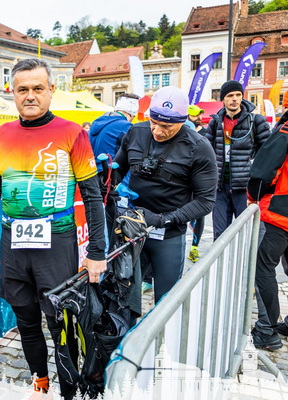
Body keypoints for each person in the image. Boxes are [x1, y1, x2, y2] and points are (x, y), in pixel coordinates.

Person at [0, 58, 106, 398]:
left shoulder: (72, 133)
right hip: (13, 244)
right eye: (22, 90)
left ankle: (69, 390)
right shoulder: (2, 135)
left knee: (61, 324)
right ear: (12, 92)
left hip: (56, 243)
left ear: (51, 90)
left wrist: (96, 252)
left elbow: (92, 196)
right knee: (26, 322)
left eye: (37, 88)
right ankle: (40, 384)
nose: (30, 96)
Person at [114, 86, 217, 303]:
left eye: (167, 126)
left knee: (166, 302)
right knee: (124, 299)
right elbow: (118, 169)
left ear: (183, 121)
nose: (158, 131)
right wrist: (110, 187)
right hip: (132, 228)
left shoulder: (198, 146)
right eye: (153, 122)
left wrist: (164, 219)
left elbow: (205, 201)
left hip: (168, 233)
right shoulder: (136, 132)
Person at [205, 80, 270, 240]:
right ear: (223, 99)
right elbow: (206, 152)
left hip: (245, 187)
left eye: (238, 95)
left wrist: (259, 180)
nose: (234, 99)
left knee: (249, 234)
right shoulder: (215, 122)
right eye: (230, 95)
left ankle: (252, 258)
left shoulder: (255, 121)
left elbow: (267, 152)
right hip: (220, 187)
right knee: (220, 235)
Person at [247, 120, 288, 351]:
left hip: (280, 213)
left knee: (263, 267)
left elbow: (262, 172)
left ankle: (266, 329)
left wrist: (253, 197)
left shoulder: (285, 130)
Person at [88, 93, 140, 169]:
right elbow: (136, 152)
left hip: (93, 171)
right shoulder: (125, 126)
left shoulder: (97, 123)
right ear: (131, 115)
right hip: (113, 171)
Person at [186, 104, 207, 262]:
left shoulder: (206, 133)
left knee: (199, 214)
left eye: (199, 114)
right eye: (195, 115)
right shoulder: (183, 132)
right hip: (182, 182)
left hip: (199, 181)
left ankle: (194, 247)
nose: (199, 117)